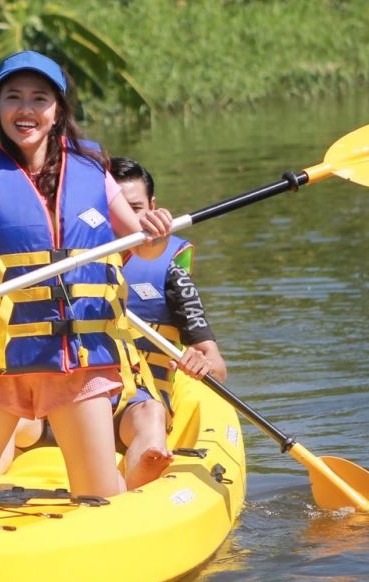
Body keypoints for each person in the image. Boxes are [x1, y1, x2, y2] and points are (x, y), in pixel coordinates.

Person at [0, 51, 172, 498]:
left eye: (39, 98)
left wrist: (156, 233)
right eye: (13, 97)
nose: (25, 109)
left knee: (100, 498)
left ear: (58, 109)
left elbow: (141, 241)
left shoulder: (92, 169)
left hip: (77, 362)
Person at [14, 156, 229, 491]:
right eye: (114, 209)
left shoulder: (170, 273)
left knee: (151, 415)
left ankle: (141, 477)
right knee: (10, 414)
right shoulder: (60, 261)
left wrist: (201, 363)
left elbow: (217, 366)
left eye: (136, 208)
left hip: (132, 405)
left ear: (153, 207)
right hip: (61, 401)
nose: (125, 220)